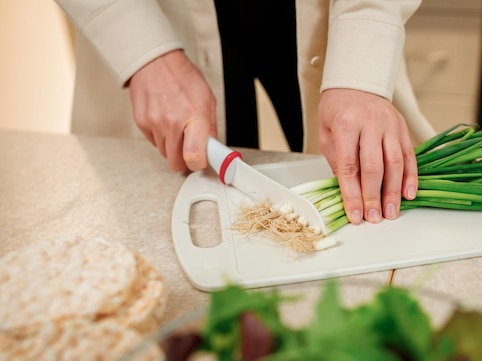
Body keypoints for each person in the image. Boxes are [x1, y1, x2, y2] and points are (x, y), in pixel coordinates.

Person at [54, 0, 436, 226]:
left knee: (367, 177)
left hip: (327, 10)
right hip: (156, 14)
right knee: (168, 211)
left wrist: (360, 69)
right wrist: (143, 53)